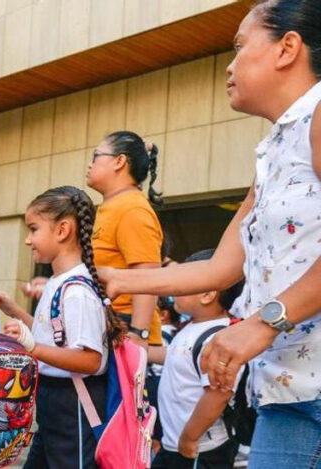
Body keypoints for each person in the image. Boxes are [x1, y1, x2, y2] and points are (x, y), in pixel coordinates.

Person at [101, 1, 321, 466]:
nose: (230, 64)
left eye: (240, 47)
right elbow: (222, 268)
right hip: (288, 391)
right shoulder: (272, 152)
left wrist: (262, 323)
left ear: (287, 48)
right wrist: (119, 279)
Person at [0, 186, 126, 469]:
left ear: (63, 230)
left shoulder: (76, 290)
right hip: (56, 401)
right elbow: (58, 339)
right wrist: (17, 314)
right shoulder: (58, 281)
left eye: (33, 229)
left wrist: (32, 347)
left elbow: (90, 360)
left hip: (74, 404)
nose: (28, 240)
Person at [152, 250, 244, 469]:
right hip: (174, 444)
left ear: (207, 294)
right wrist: (139, 350)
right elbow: (177, 358)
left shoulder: (218, 338)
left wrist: (190, 437)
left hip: (199, 449)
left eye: (184, 282)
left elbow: (217, 394)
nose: (175, 288)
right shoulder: (191, 328)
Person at [85, 130, 165, 348]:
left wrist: (138, 334)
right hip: (110, 322)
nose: (89, 165)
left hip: (124, 328)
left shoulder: (132, 208)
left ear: (119, 161)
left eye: (95, 156)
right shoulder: (113, 206)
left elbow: (147, 277)